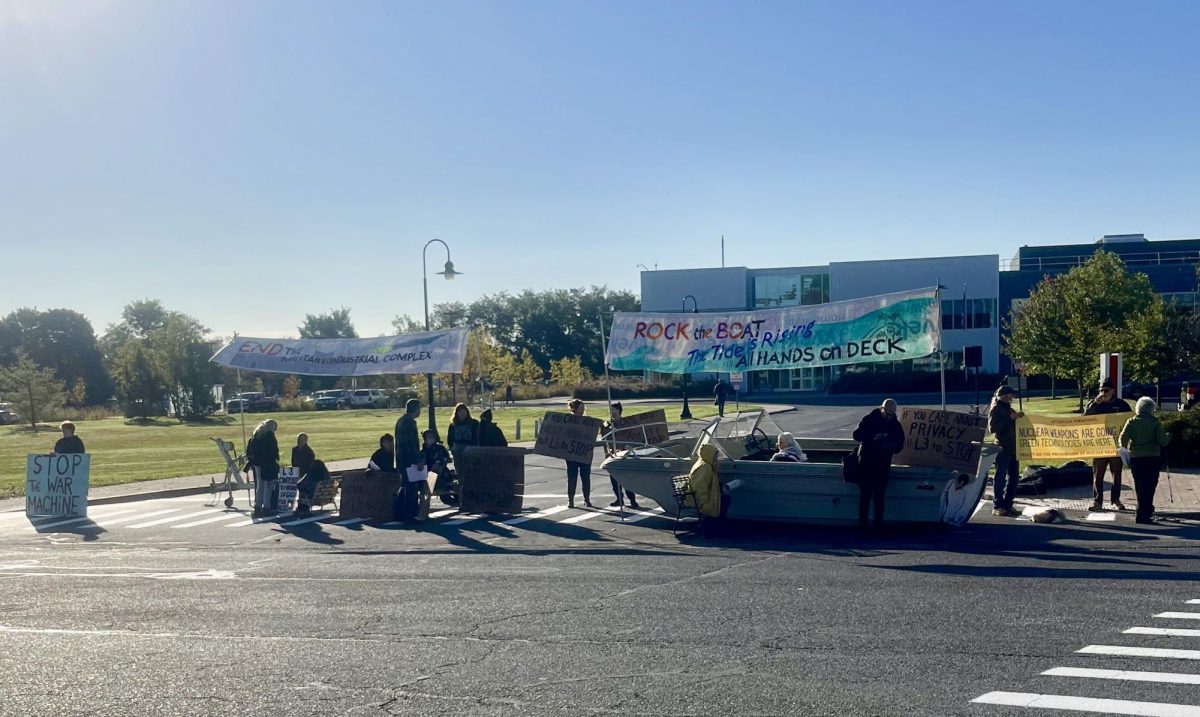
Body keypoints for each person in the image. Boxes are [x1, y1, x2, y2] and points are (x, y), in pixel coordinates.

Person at [852, 399, 904, 528]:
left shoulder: (895, 425)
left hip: (882, 463)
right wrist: (873, 437)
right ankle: (863, 525)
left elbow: (899, 445)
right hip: (867, 462)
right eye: (886, 414)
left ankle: (877, 525)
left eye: (891, 415)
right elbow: (857, 435)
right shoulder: (869, 419)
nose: (888, 417)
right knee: (865, 495)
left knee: (879, 496)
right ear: (881, 409)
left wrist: (891, 445)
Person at [1119, 396, 1171, 524]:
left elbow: (1122, 439)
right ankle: (1145, 512)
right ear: (1151, 409)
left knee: (1139, 486)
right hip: (1152, 458)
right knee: (1150, 486)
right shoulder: (1155, 423)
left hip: (1136, 458)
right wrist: (1169, 436)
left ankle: (1143, 510)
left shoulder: (1131, 421)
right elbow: (1162, 441)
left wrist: (1126, 449)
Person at [1084, 380, 1133, 512]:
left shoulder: (1121, 405)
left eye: (1106, 390)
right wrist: (1095, 403)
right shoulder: (1094, 403)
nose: (1103, 393)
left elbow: (1130, 422)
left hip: (1116, 446)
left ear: (1113, 391)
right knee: (1098, 475)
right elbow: (1085, 418)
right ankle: (1097, 501)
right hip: (1099, 446)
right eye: (1101, 390)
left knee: (1116, 474)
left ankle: (1115, 500)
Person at [987, 385, 1024, 517]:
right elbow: (993, 428)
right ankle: (998, 505)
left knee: (1014, 478)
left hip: (1014, 448)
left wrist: (1019, 418)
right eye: (1010, 395)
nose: (1012, 398)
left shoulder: (1009, 409)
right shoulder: (996, 408)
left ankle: (1008, 504)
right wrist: (1011, 419)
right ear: (1005, 395)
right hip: (1003, 448)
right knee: (1000, 477)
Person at [602, 402, 640, 508]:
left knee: (626, 479)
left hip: (625, 454)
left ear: (619, 411)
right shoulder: (608, 425)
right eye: (610, 410)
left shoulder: (626, 423)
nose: (612, 412)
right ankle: (619, 499)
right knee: (614, 479)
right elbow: (605, 439)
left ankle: (632, 500)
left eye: (613, 410)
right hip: (614, 455)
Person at [394, 399, 424, 522]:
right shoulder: (410, 423)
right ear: (416, 409)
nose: (420, 411)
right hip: (409, 459)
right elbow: (411, 443)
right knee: (411, 488)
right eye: (419, 408)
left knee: (404, 486)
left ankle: (398, 512)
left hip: (401, 458)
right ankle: (410, 514)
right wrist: (418, 460)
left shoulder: (401, 421)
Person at [248, 419, 281, 518]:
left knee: (260, 485)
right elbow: (273, 451)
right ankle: (267, 507)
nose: (275, 431)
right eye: (275, 428)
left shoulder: (255, 436)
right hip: (267, 463)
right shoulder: (269, 436)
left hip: (257, 464)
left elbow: (250, 450)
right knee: (268, 485)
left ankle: (258, 506)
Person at [565, 398, 594, 508]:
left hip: (585, 453)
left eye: (583, 408)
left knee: (585, 477)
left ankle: (587, 499)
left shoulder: (588, 421)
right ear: (574, 409)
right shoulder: (567, 421)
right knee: (572, 477)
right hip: (571, 454)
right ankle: (570, 500)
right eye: (581, 408)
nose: (583, 410)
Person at [423, 429, 457, 505]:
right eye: (428, 437)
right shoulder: (423, 451)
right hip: (427, 475)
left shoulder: (440, 448)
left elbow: (445, 459)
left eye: (432, 436)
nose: (430, 438)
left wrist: (438, 466)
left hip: (441, 475)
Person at [447, 403, 479, 470]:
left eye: (464, 411)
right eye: (460, 412)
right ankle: (460, 477)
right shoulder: (453, 425)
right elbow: (450, 438)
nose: (462, 413)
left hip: (470, 446)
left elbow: (477, 436)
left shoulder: (474, 423)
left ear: (467, 412)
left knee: (469, 466)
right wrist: (451, 447)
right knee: (459, 465)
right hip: (457, 447)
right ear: (456, 413)